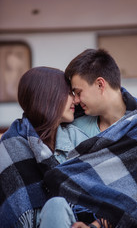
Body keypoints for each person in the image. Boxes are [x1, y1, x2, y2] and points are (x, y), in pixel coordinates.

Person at [42, 49, 137, 228]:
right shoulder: (72, 129)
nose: (75, 100)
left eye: (78, 92)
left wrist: (98, 225)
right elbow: (67, 183)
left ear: (100, 85)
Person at [0, 66, 89, 228]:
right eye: (69, 93)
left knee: (56, 207)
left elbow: (98, 194)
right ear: (49, 96)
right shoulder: (7, 147)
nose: (75, 100)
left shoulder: (78, 138)